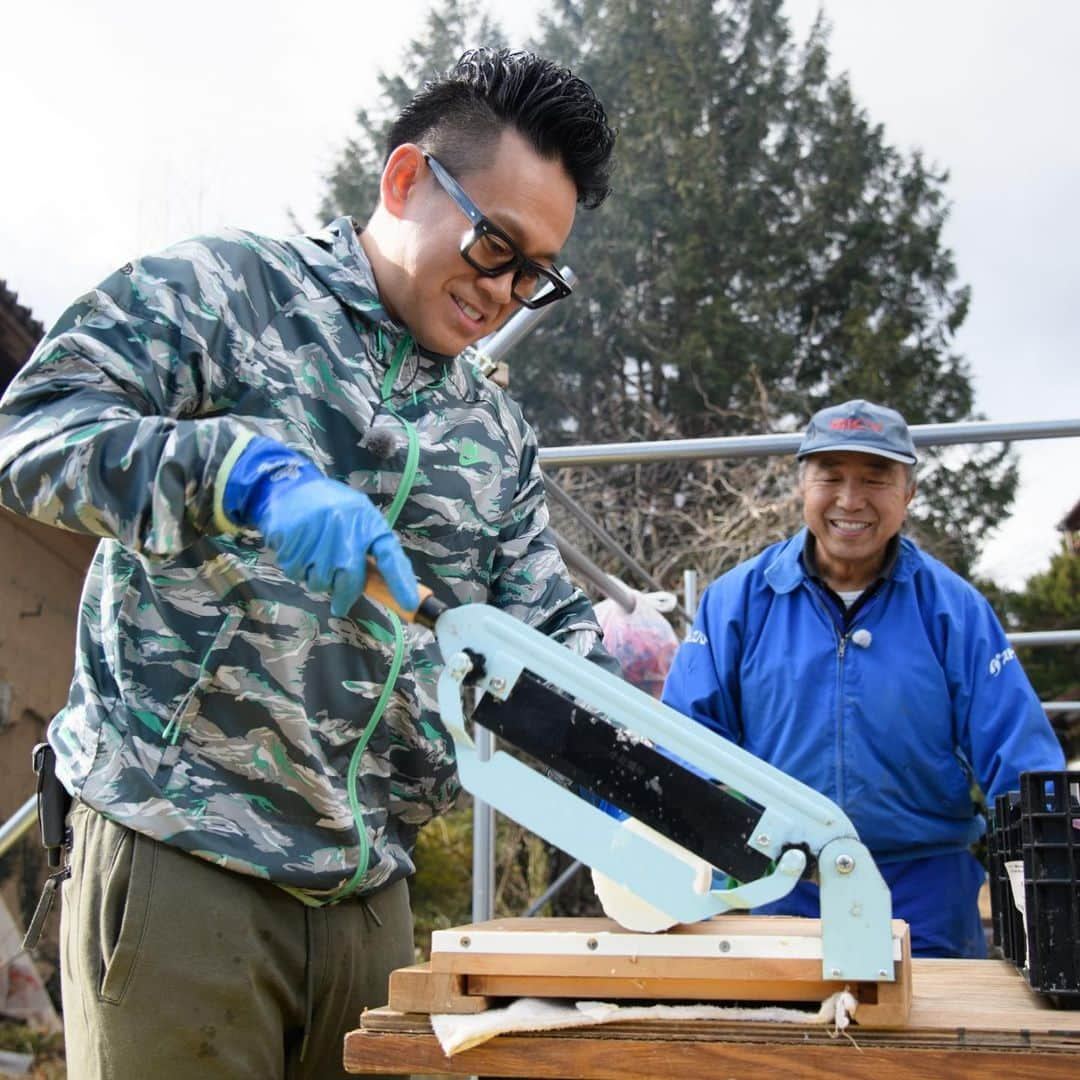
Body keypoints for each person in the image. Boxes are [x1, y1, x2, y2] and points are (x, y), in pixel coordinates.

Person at [0, 47, 617, 1079]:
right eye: (494, 244)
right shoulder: (227, 294)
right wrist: (240, 478)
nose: (504, 292)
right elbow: (31, 434)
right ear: (408, 178)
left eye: (534, 274)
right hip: (185, 860)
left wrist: (625, 731)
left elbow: (543, 625)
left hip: (368, 899)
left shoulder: (494, 431)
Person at [662, 398, 1065, 958]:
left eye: (876, 479)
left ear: (909, 494)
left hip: (925, 890)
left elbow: (1020, 760)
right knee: (775, 1044)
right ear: (802, 485)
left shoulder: (953, 610)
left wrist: (1049, 898)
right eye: (831, 477)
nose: (850, 501)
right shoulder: (738, 603)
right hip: (783, 883)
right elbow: (684, 742)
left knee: (936, 1041)